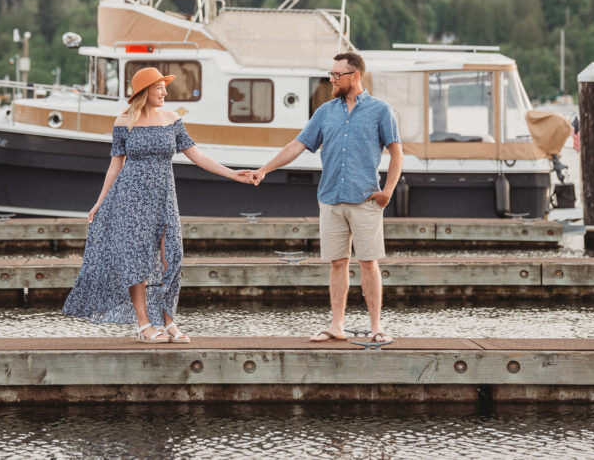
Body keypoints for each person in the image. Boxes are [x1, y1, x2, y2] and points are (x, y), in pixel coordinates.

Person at [63, 66, 251, 343]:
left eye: (165, 87)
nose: (165, 92)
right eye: (159, 87)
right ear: (144, 91)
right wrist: (99, 202)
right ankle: (144, 323)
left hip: (163, 196)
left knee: (171, 257)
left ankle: (169, 319)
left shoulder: (171, 119)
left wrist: (233, 173)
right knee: (135, 261)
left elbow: (197, 156)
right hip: (129, 197)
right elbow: (116, 164)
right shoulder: (123, 121)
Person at [247, 52, 402, 344]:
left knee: (368, 262)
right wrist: (264, 169)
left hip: (366, 200)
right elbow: (297, 145)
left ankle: (377, 327)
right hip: (330, 198)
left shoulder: (382, 111)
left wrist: (388, 192)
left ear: (355, 76)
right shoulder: (325, 112)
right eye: (330, 74)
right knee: (337, 263)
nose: (331, 79)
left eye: (336, 75)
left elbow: (397, 153)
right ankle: (336, 326)